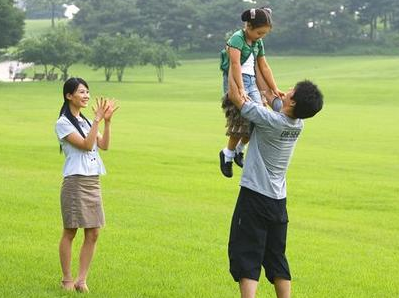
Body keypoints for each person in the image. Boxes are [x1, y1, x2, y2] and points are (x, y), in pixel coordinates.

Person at [226, 70, 323, 298]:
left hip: (255, 197)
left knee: (247, 254)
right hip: (278, 202)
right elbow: (270, 94)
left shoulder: (270, 120)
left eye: (291, 91)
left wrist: (234, 62)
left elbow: (235, 96)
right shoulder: (297, 123)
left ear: (293, 101)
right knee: (276, 256)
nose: (286, 90)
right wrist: (257, 59)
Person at [55, 77, 118, 292]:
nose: (86, 96)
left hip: (93, 181)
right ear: (69, 96)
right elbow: (86, 145)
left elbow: (104, 145)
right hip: (75, 182)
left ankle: (82, 280)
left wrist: (106, 121)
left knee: (93, 232)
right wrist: (97, 120)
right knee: (70, 231)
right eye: (81, 92)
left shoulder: (85, 121)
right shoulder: (63, 122)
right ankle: (67, 280)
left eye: (87, 92)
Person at [219, 7, 285, 178]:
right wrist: (240, 89)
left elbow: (264, 66)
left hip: (251, 82)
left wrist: (274, 88)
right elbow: (235, 66)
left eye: (264, 34)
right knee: (239, 122)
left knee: (259, 118)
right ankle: (227, 154)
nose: (261, 37)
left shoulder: (257, 42)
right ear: (248, 27)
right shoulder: (236, 39)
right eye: (259, 33)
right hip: (235, 81)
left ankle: (240, 150)